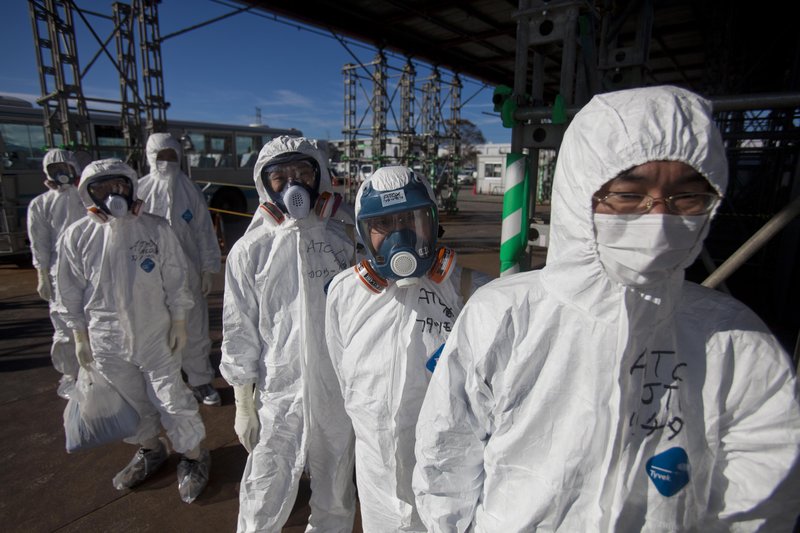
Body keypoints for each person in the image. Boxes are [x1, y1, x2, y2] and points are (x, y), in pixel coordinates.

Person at [412, 86, 800, 531]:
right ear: (581, 193)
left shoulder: (736, 343)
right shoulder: (503, 314)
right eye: (629, 195)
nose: (658, 218)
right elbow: (448, 454)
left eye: (685, 198)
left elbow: (760, 501)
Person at [325, 166, 491, 532]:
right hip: (376, 480)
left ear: (433, 223)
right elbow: (343, 378)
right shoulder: (344, 295)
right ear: (364, 234)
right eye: (383, 224)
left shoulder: (475, 294)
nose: (399, 234)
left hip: (450, 485)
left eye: (411, 219)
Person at [220, 136, 356, 532]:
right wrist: (243, 402)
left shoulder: (344, 239)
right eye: (279, 176)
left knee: (335, 493)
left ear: (320, 178)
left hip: (336, 391)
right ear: (265, 185)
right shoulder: (251, 250)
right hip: (278, 395)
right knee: (263, 491)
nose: (293, 184)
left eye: (302, 173)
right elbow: (238, 329)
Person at [56, 158, 211, 504]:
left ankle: (194, 455)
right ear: (88, 195)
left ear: (132, 187)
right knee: (131, 403)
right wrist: (79, 336)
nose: (114, 195)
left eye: (120, 186)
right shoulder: (77, 236)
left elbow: (175, 279)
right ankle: (150, 449)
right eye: (103, 189)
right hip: (106, 341)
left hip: (155, 336)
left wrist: (180, 321)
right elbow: (69, 291)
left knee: (171, 399)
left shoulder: (155, 229)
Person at [138, 133, 222, 406]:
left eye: (171, 156)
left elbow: (203, 232)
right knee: (156, 329)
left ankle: (199, 380)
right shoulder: (139, 191)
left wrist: (208, 268)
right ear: (150, 157)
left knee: (195, 328)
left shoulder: (190, 191)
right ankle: (168, 384)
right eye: (160, 157)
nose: (166, 162)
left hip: (187, 274)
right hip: (150, 278)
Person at [27, 148, 85, 399]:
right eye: (56, 170)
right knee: (65, 327)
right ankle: (70, 373)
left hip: (91, 271)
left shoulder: (88, 197)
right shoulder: (41, 204)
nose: (62, 174)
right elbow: (38, 241)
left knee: (96, 324)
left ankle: (98, 371)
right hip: (59, 273)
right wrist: (41, 273)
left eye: (66, 168)